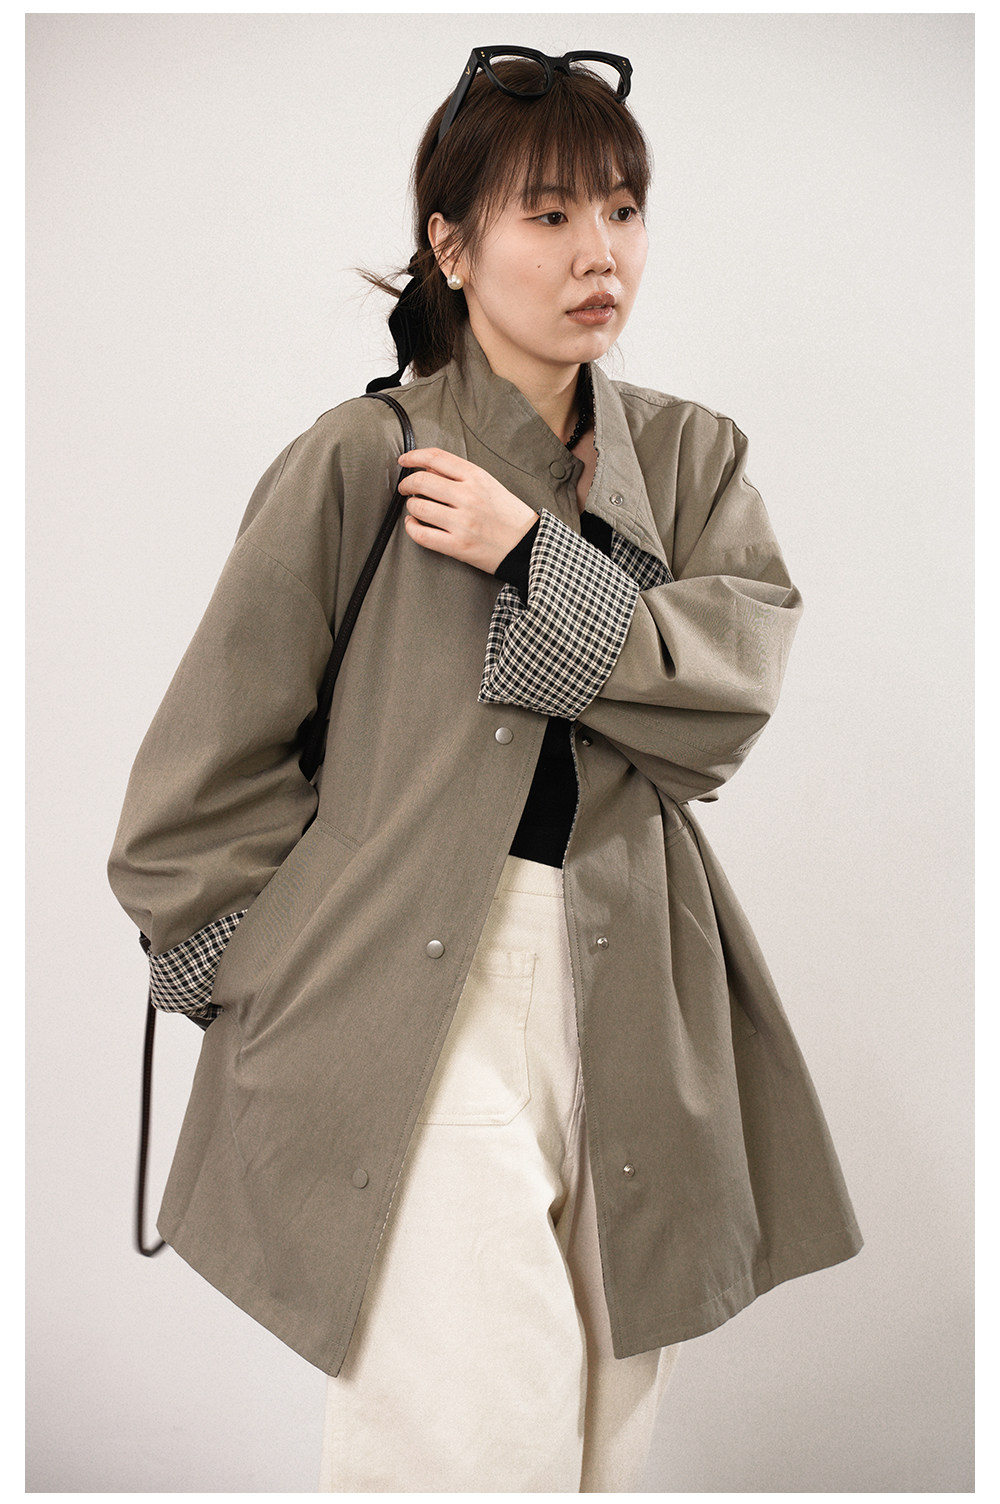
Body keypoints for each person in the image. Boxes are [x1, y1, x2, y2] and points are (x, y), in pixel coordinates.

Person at [108, 46, 862, 1493]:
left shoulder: (693, 460)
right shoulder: (362, 460)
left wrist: (532, 553)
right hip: (403, 985)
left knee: (601, 1439)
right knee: (465, 1441)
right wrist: (285, 985)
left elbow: (727, 709)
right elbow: (188, 798)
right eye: (552, 214)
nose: (601, 255)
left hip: (641, 980)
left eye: (624, 211)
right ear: (451, 247)